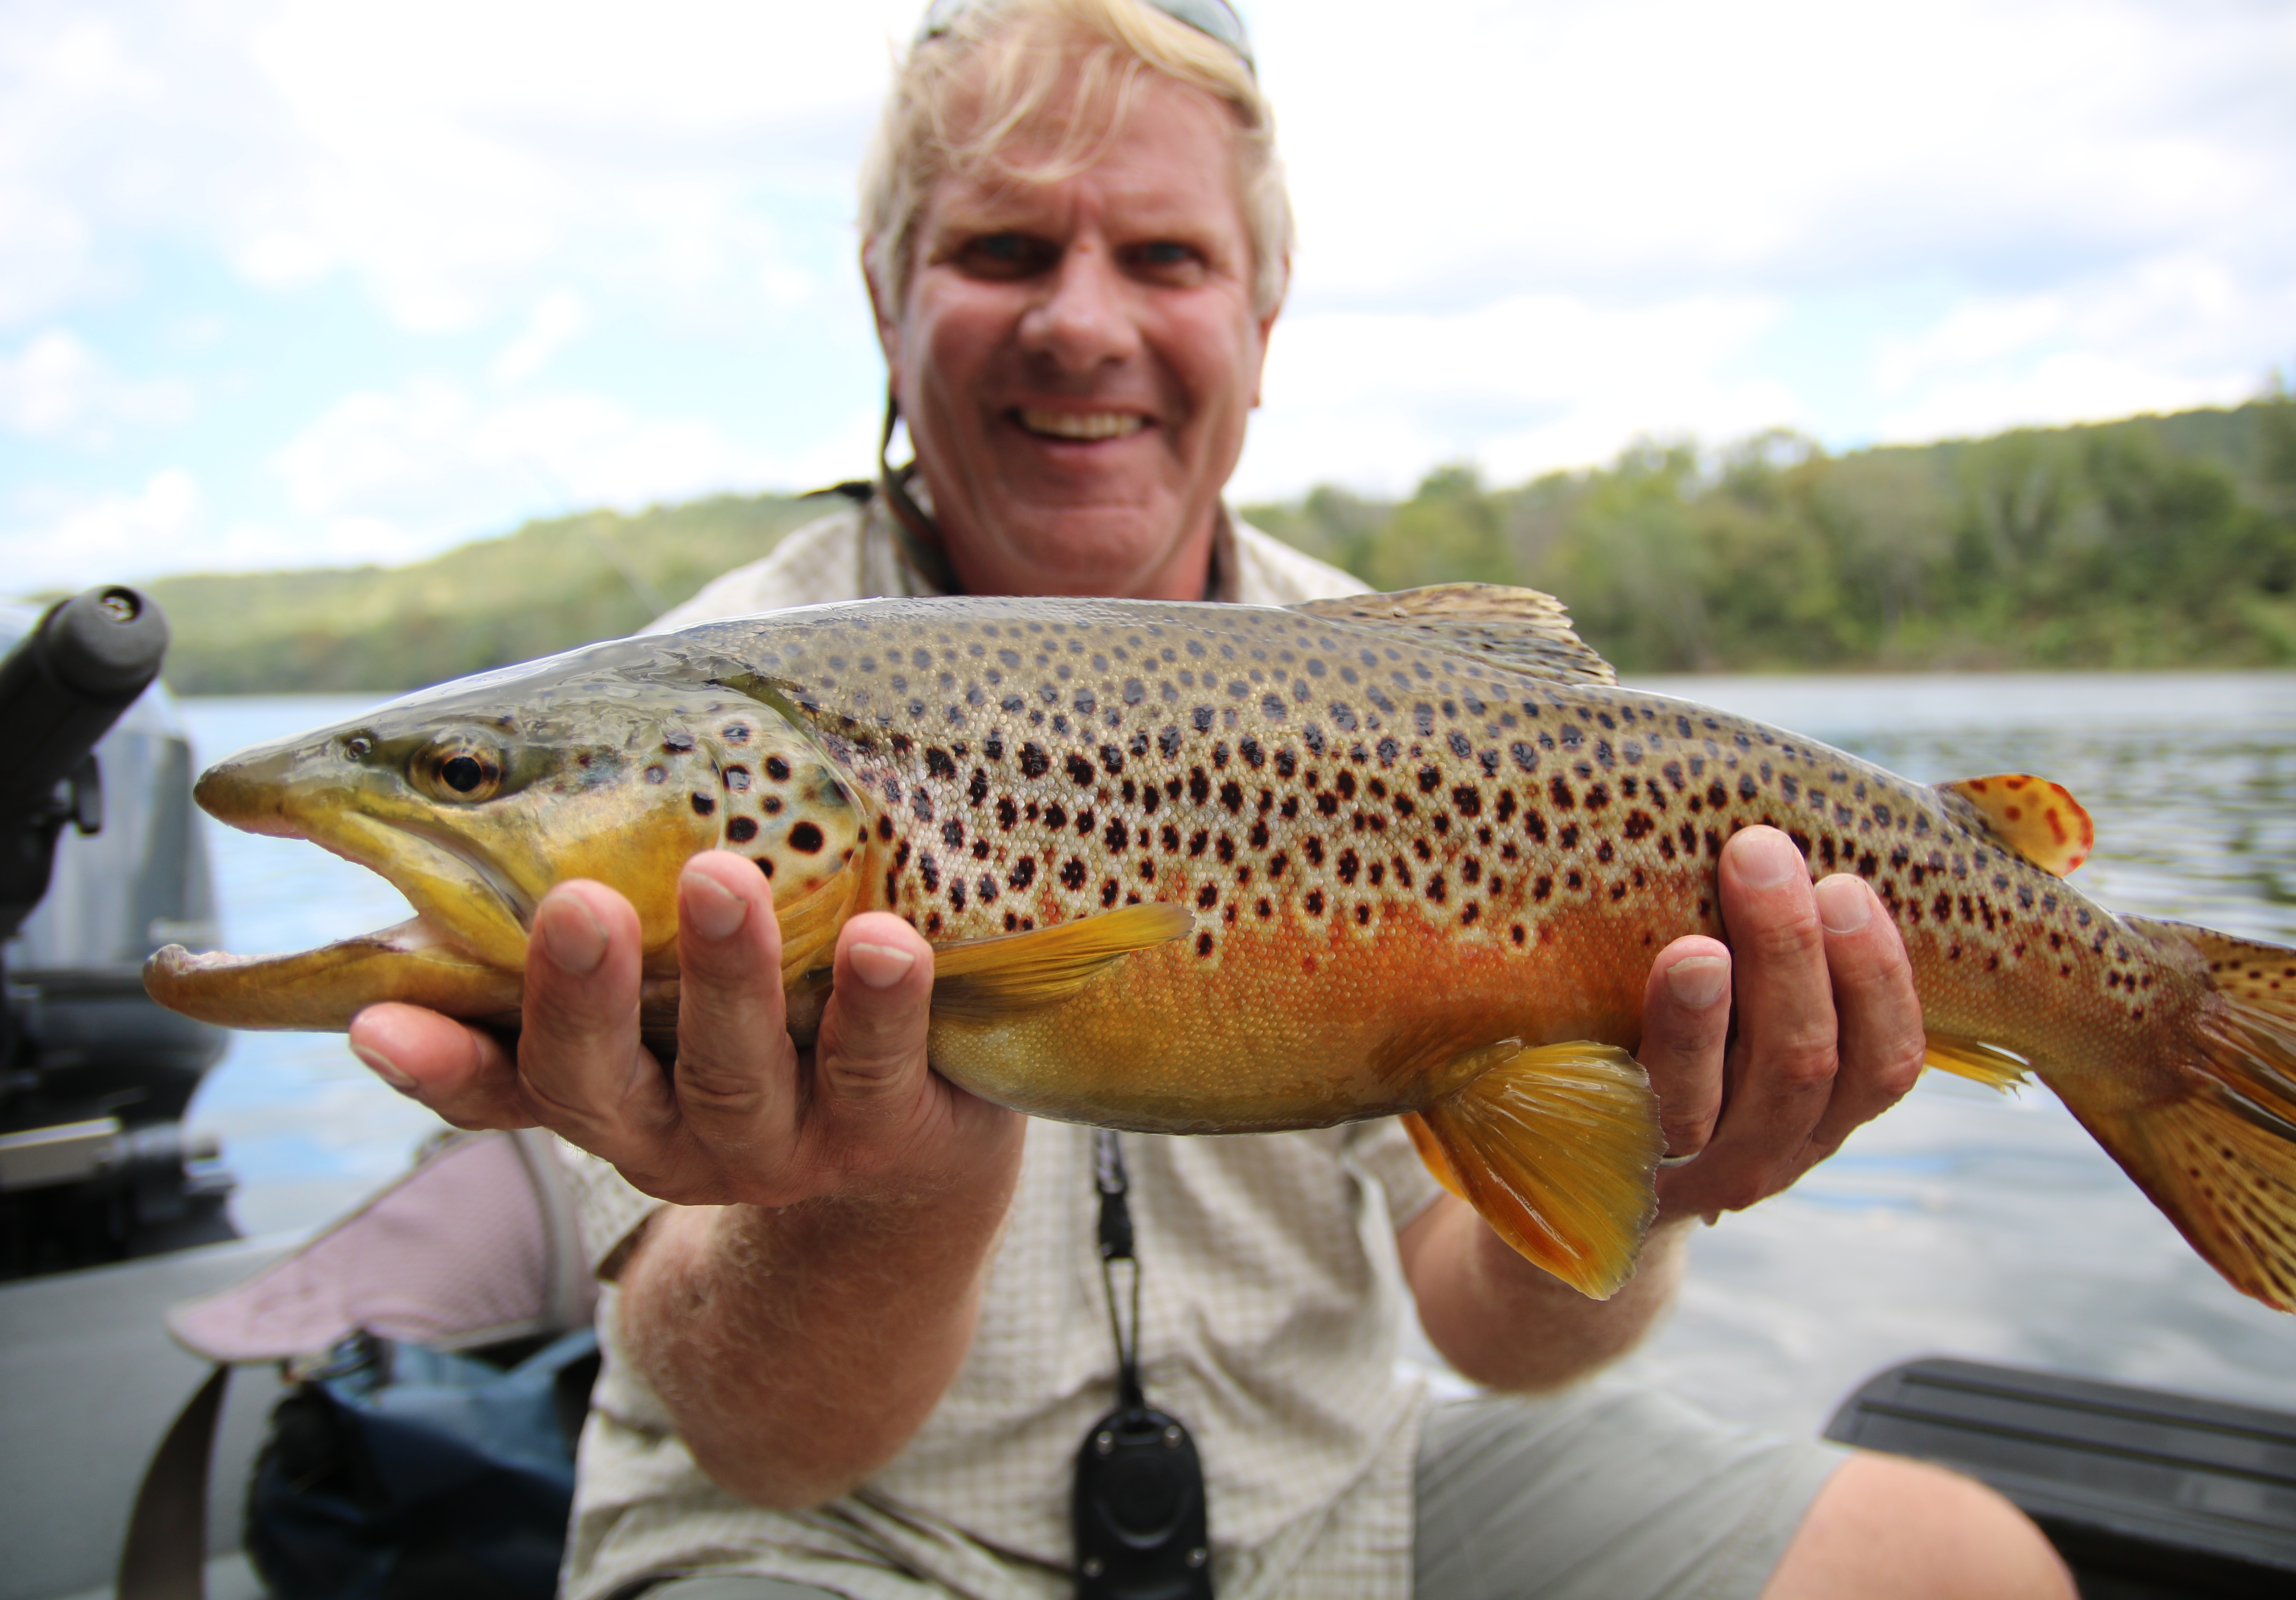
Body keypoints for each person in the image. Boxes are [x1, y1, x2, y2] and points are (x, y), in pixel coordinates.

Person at [348, 2, 2076, 1596]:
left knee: (1966, 1561)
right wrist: (893, 1182)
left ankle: (2173, 1027)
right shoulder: (679, 716)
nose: (1081, 322)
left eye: (1163, 256)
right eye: (1004, 248)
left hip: (1329, 1500)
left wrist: (1674, 1177)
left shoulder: (1403, 703)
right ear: (887, 298)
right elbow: (773, 1440)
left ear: (1263, 312)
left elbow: (1489, 1327)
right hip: (835, 1533)